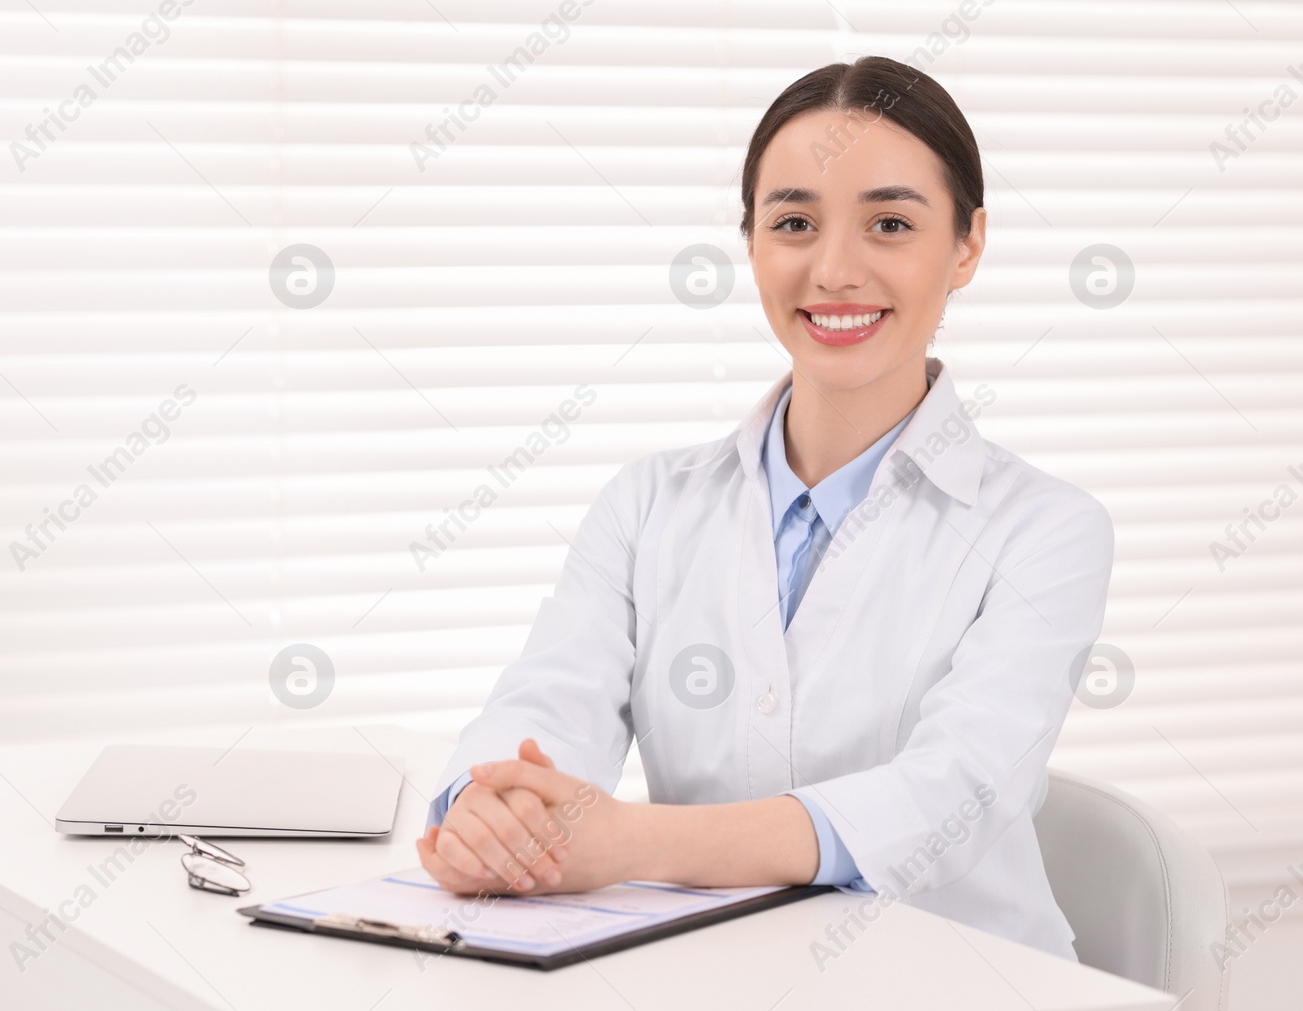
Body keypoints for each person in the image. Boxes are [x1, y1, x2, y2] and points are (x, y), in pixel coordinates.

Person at [415, 56, 1113, 960]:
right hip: (721, 971)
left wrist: (627, 841)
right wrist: (495, 809)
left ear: (968, 245)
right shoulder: (648, 506)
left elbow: (950, 794)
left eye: (891, 223)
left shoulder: (1047, 530)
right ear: (751, 243)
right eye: (793, 222)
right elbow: (551, 699)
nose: (834, 269)